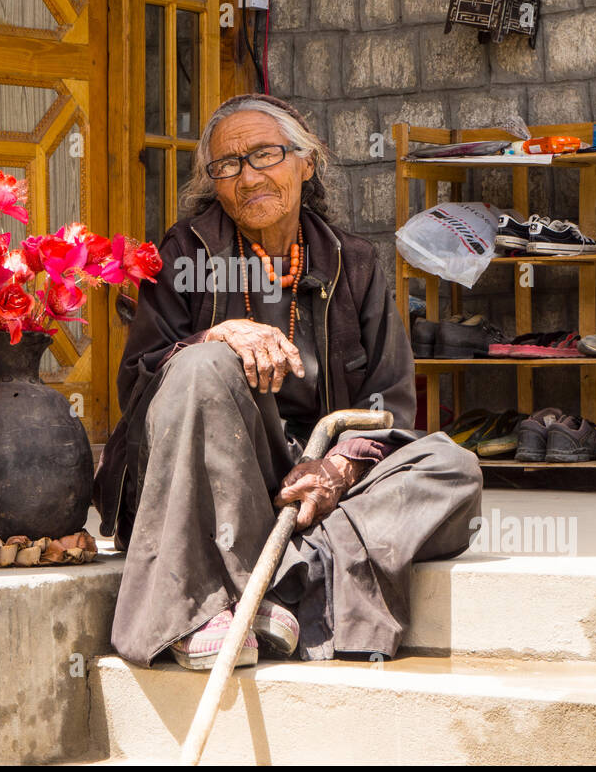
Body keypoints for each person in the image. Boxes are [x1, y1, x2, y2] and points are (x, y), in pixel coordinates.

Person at [93, 93, 482, 669]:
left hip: (313, 476)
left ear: (307, 162)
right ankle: (200, 604)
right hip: (211, 469)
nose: (248, 177)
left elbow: (390, 401)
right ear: (215, 184)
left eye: (266, 155)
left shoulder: (355, 264)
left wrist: (339, 466)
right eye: (227, 166)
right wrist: (215, 337)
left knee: (454, 469)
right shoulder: (184, 253)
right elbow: (139, 381)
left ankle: (278, 577)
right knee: (203, 365)